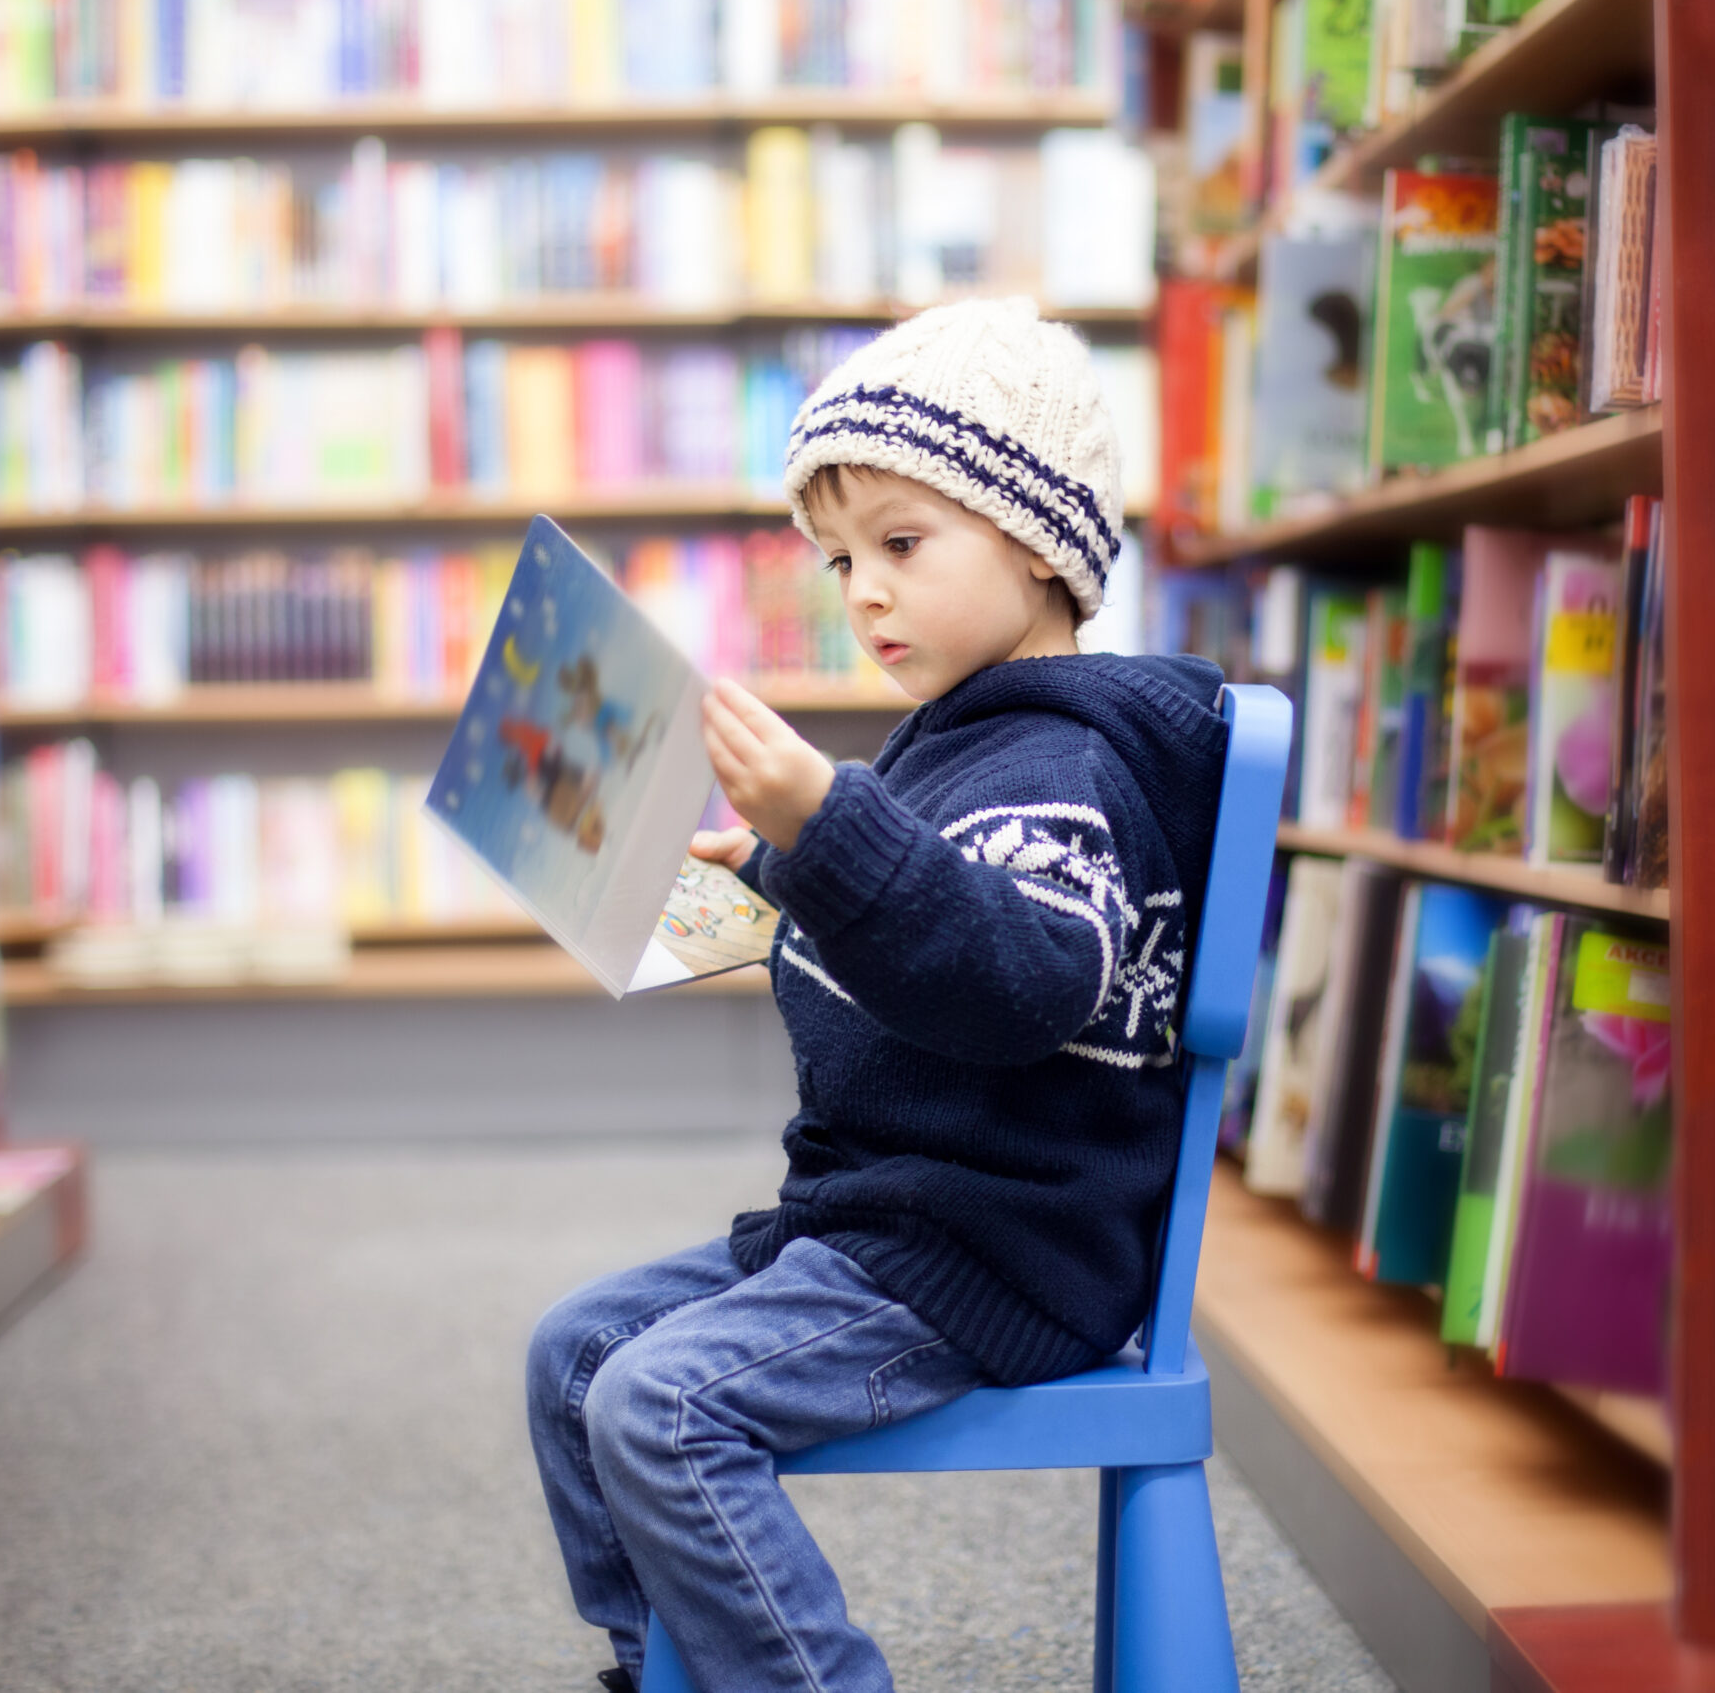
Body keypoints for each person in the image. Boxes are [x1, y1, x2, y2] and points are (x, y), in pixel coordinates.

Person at [525, 297, 1231, 1693]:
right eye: (843, 559)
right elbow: (916, 939)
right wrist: (766, 876)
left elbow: (1022, 979)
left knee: (660, 1408)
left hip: (992, 1249)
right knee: (576, 1352)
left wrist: (831, 824)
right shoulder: (960, 750)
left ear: (1040, 540)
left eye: (903, 545)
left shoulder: (1067, 766)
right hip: (873, 1219)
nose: (865, 592)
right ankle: (662, 1667)